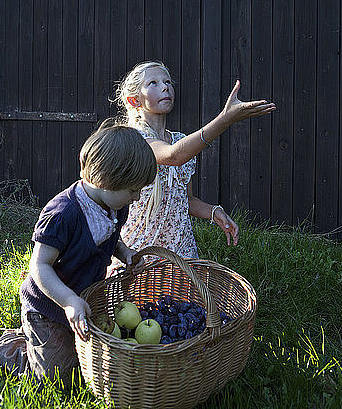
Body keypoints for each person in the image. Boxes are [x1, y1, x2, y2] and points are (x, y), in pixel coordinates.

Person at [0, 124, 157, 386]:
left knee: (90, 363)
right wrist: (67, 300)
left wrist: (125, 253)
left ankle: (43, 340)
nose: (137, 197)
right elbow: (40, 265)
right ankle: (12, 348)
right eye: (133, 190)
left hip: (83, 301)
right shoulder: (63, 215)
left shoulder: (114, 205)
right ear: (106, 179)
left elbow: (111, 238)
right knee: (57, 378)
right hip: (48, 306)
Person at [107, 60, 276, 274]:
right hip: (140, 250)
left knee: (178, 307)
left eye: (167, 81)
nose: (165, 86)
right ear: (134, 100)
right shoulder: (133, 139)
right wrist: (225, 119)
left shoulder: (179, 140)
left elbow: (185, 199)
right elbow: (173, 156)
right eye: (153, 83)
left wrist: (214, 212)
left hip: (181, 251)